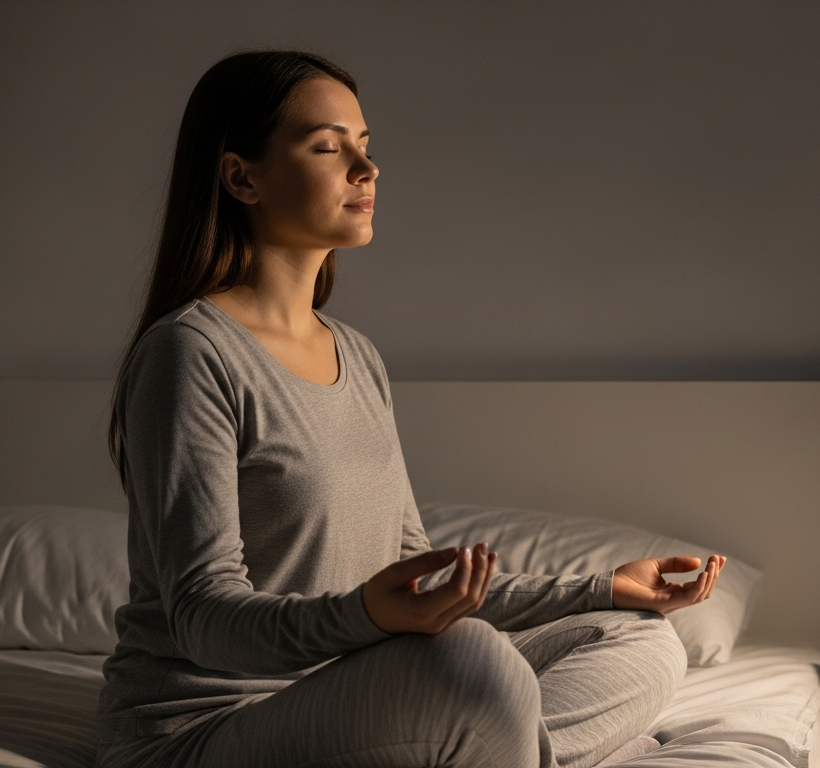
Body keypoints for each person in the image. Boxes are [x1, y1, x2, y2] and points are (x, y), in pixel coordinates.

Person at [94, 50, 725, 768]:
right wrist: (364, 615)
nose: (367, 170)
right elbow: (201, 617)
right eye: (329, 147)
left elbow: (419, 577)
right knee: (470, 662)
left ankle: (504, 749)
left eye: (364, 147)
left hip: (354, 694)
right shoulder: (190, 353)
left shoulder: (356, 356)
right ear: (242, 176)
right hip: (203, 728)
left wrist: (602, 587)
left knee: (636, 637)